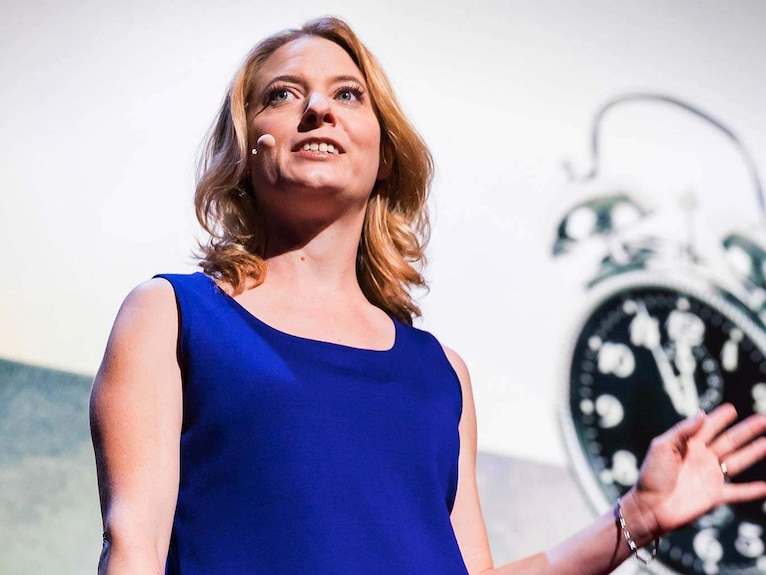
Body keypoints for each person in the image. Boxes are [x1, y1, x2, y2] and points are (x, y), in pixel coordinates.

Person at [89, 16, 766, 575]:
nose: (318, 107)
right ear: (246, 149)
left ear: (384, 155)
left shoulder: (440, 375)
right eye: (284, 94)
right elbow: (134, 550)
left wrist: (638, 516)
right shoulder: (174, 316)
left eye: (348, 95)